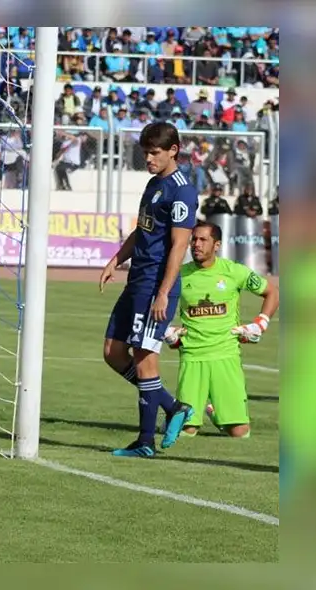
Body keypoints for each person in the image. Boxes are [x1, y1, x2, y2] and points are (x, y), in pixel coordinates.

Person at [99, 121, 198, 458]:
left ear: (174, 150)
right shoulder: (154, 184)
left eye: (154, 152)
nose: (149, 158)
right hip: (136, 281)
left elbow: (178, 246)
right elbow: (142, 231)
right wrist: (117, 259)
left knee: (144, 360)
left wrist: (164, 292)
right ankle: (172, 407)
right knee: (113, 351)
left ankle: (145, 442)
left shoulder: (182, 189)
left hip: (156, 284)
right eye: (145, 152)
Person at [162, 221, 279, 438]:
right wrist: (167, 332)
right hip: (192, 356)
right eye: (194, 239)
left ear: (217, 245)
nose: (196, 244)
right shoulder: (178, 274)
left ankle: (215, 414)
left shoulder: (234, 272)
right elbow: (156, 304)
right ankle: (177, 417)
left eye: (203, 240)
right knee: (187, 431)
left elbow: (273, 292)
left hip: (226, 355)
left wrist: (260, 324)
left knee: (240, 433)